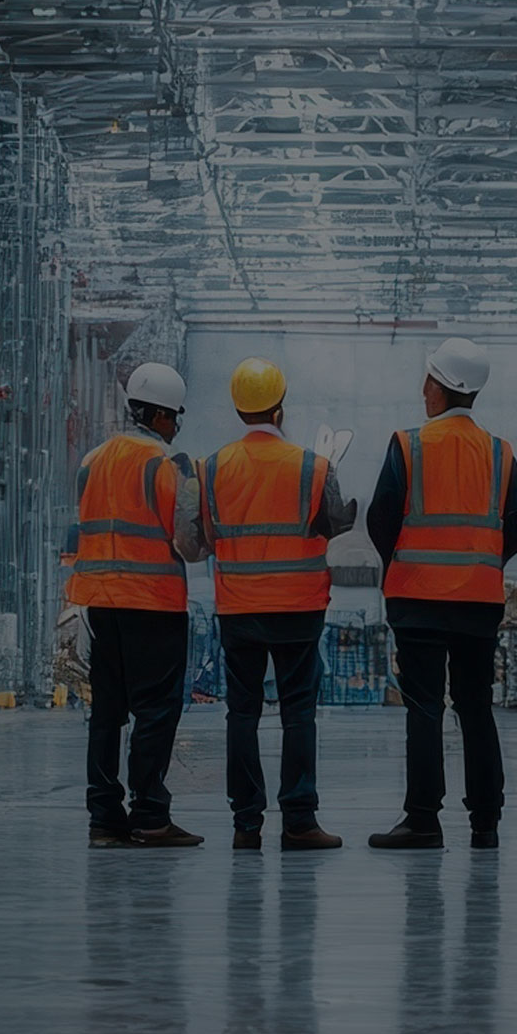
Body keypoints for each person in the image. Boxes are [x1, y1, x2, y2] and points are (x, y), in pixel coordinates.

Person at [363, 338, 517, 850]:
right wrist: (481, 565)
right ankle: (486, 821)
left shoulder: (408, 444)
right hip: (478, 604)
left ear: (435, 387)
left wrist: (405, 561)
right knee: (475, 707)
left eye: (426, 382)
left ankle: (423, 820)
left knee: (425, 707)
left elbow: (380, 519)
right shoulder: (500, 453)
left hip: (417, 600)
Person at [183, 357, 357, 852]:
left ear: (239, 408)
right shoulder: (314, 466)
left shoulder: (211, 467)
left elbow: (198, 541)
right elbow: (334, 524)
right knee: (298, 712)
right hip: (300, 608)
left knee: (242, 713)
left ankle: (246, 824)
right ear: (280, 409)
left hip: (239, 608)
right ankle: (300, 821)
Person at [65, 362, 205, 849]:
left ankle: (104, 819)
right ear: (166, 417)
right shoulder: (171, 463)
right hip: (152, 604)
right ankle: (149, 815)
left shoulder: (92, 459)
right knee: (155, 712)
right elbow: (190, 542)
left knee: (106, 713)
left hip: (98, 603)